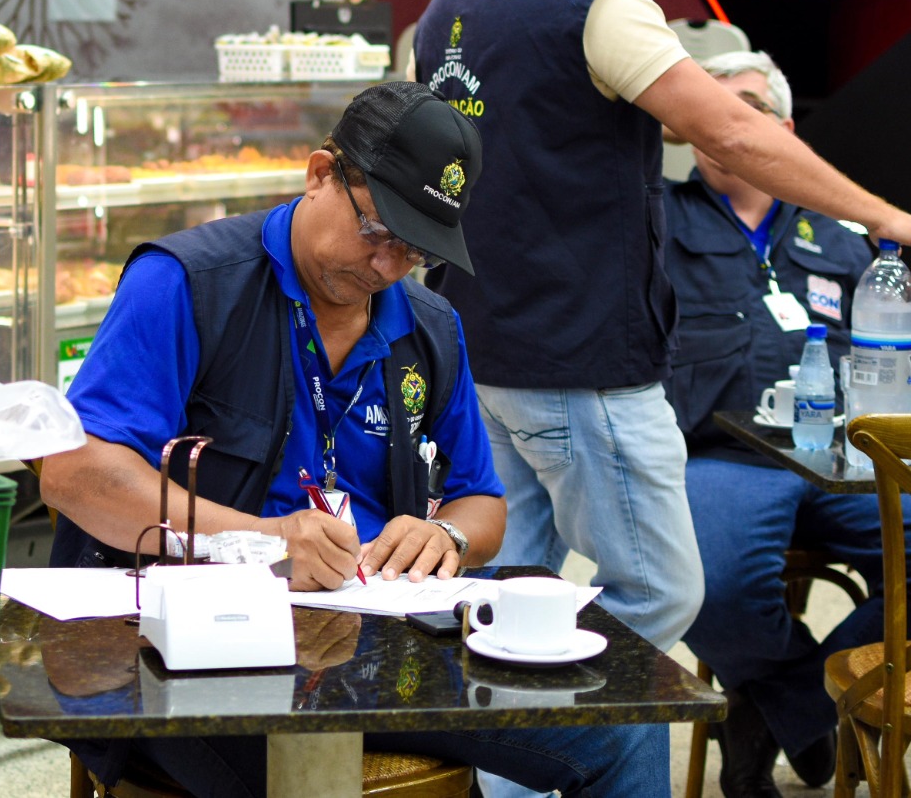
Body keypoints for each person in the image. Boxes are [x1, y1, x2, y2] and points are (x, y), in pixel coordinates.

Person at [40, 82, 668, 798]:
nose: (387, 266)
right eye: (377, 231)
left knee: (626, 716)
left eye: (416, 249)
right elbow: (73, 474)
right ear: (319, 174)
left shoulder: (427, 326)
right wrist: (261, 541)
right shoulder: (187, 284)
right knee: (308, 774)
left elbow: (482, 503)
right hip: (187, 644)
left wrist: (449, 541)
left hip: (372, 642)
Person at [411, 0, 911, 657]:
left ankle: (517, 780)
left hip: (477, 345)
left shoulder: (450, 5)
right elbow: (731, 135)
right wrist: (887, 218)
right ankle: (580, 758)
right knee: (661, 593)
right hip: (579, 356)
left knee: (512, 595)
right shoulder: (592, 0)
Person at [664, 50, 911, 798]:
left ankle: (768, 709)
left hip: (845, 458)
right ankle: (811, 707)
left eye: (742, 109)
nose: (722, 126)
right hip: (720, 456)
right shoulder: (654, 220)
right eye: (708, 108)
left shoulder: (841, 233)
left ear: (782, 126)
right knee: (701, 575)